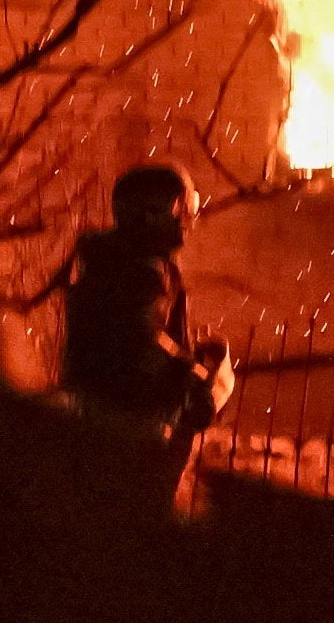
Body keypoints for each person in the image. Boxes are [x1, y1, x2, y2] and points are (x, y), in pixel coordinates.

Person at [59, 162, 232, 477]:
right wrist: (196, 372)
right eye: (183, 207)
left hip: (102, 420)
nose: (188, 220)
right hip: (134, 429)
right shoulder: (145, 271)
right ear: (155, 215)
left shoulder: (107, 263)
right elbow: (141, 341)